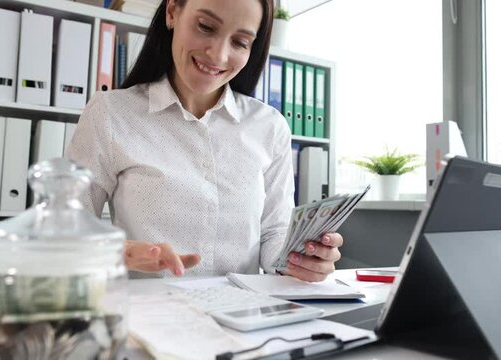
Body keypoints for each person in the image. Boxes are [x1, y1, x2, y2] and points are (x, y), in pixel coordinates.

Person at [68, 0, 344, 282]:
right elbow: (67, 229)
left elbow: (274, 233)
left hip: (244, 317)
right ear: (172, 11)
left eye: (239, 42)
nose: (219, 55)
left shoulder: (269, 126)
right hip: (149, 316)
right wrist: (121, 251)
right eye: (206, 27)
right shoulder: (111, 113)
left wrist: (302, 259)